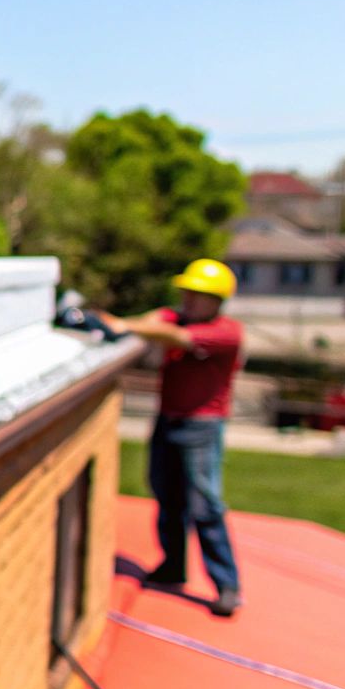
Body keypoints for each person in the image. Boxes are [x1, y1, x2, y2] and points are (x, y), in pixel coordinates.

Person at [95, 259, 245, 617]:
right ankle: (172, 567)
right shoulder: (172, 317)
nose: (189, 300)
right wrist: (116, 322)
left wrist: (123, 324)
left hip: (202, 426)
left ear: (218, 301)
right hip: (169, 420)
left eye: (199, 295)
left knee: (204, 504)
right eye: (186, 293)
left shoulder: (227, 332)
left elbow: (176, 338)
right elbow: (155, 321)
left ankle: (227, 585)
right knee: (166, 494)